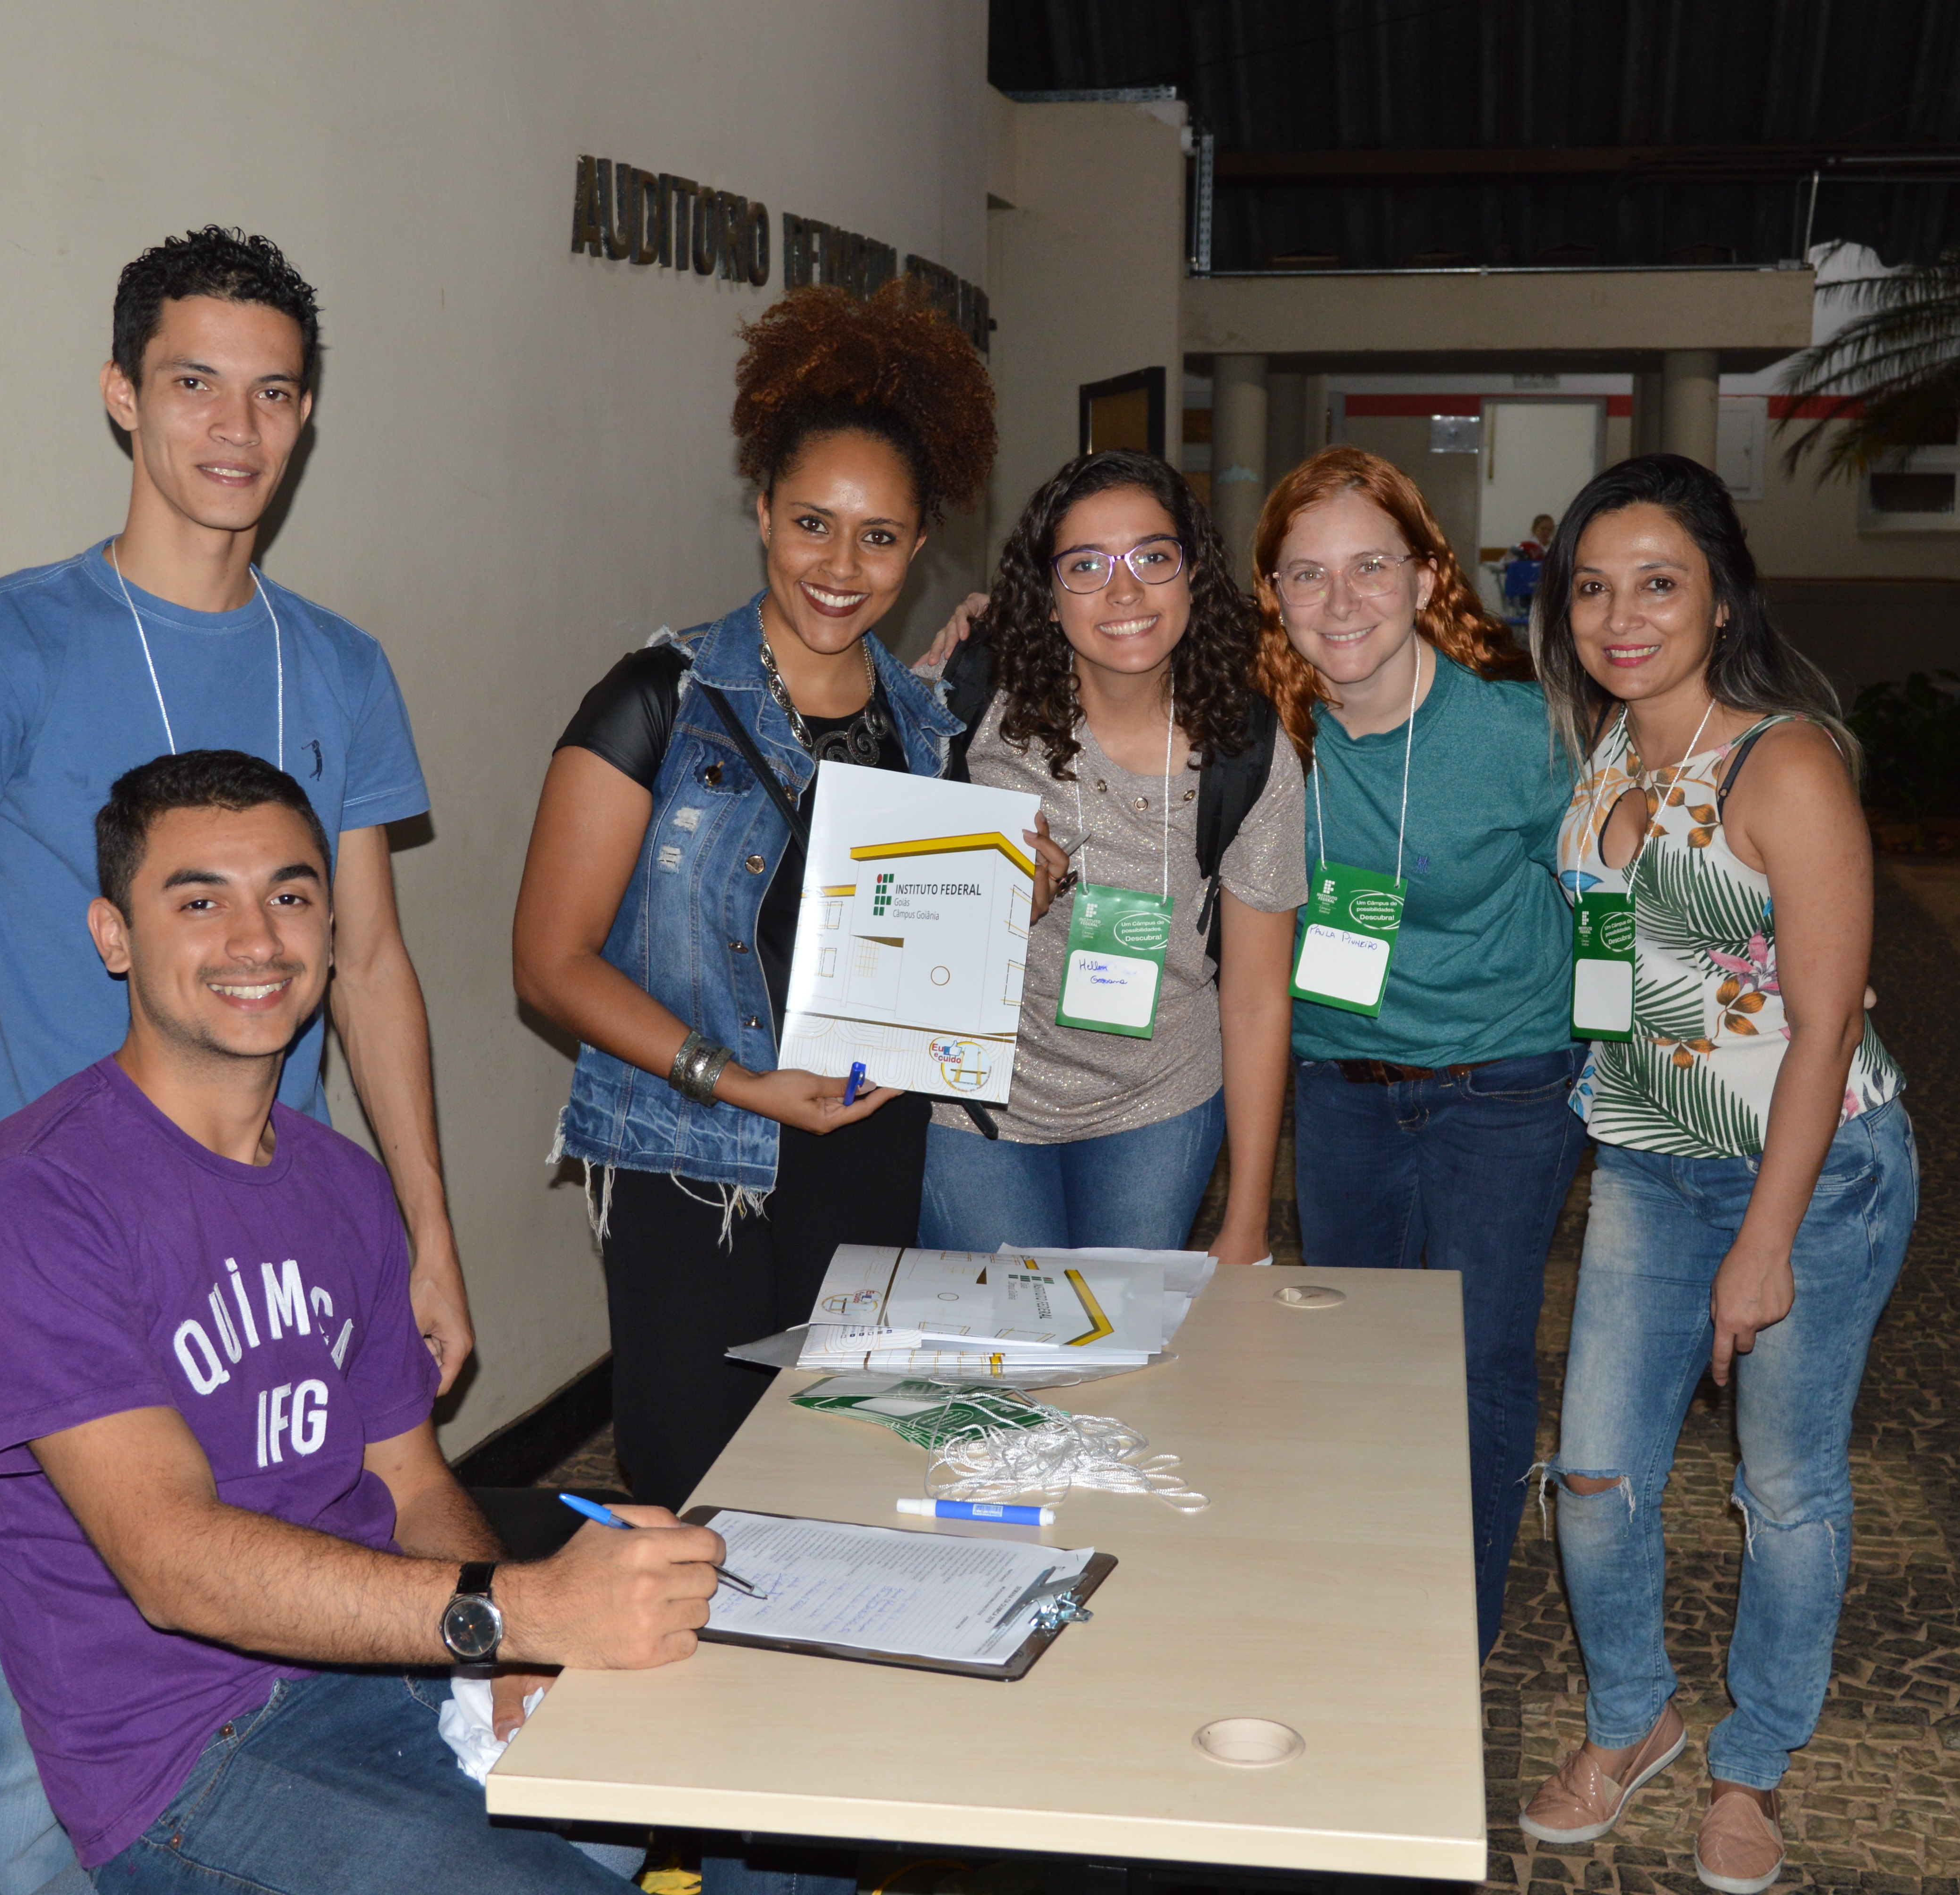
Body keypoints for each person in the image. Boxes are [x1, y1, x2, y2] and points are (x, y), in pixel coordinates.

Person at [0, 226, 467, 1895]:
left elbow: (381, 971)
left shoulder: (338, 664)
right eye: (194, 381)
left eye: (274, 392)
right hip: (66, 1267)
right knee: (49, 1728)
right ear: (122, 396)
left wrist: (424, 1230)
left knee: (290, 1622)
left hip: (283, 1240)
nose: (233, 426)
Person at [0, 751, 748, 1894]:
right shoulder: (28, 1203)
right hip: (193, 1762)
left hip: (392, 1662)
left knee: (782, 1800)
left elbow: (407, 1481)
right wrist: (515, 1604)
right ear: (114, 935)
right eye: (199, 899)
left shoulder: (341, 1181)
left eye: (292, 895)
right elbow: (176, 1567)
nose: (255, 939)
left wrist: (520, 1640)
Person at [513, 280, 998, 1509]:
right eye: (812, 524)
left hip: (872, 1159)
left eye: (880, 536)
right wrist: (733, 1082)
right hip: (697, 1165)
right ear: (763, 515)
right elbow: (551, 962)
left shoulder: (928, 731)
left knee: (843, 1482)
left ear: (920, 545)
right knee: (694, 1487)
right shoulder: (656, 702)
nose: (843, 566)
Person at [1518, 455, 1914, 1895]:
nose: (1623, 617)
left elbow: (1823, 1024)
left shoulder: (1784, 762)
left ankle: (1755, 1761)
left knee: (1786, 1486)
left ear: (1722, 594)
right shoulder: (1612, 756)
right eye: (1593, 587)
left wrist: (1767, 1244)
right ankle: (1639, 1719)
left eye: (1660, 583)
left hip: (1814, 1171)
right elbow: (1626, 980)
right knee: (1596, 1472)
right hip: (1649, 1157)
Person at [1249, 446, 1585, 1661]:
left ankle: (1457, 1622)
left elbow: (1619, 880)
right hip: (1341, 1089)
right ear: (1272, 594)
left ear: (1426, 571)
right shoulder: (1263, 726)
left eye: (1368, 567)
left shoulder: (1517, 729)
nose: (1340, 603)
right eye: (1306, 575)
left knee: (1476, 1359)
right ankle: (1367, 1587)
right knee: (1353, 1350)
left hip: (1504, 1081)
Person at [915, 451, 1303, 1263]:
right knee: (1016, 1355)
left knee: (1119, 1362)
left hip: (1157, 1106)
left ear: (1192, 573)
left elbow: (1260, 1000)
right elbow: (876, 889)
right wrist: (987, 889)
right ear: (1048, 597)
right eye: (1085, 565)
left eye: (1151, 558)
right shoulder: (972, 707)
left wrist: (1246, 1220)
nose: (1123, 592)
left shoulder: (1249, 748)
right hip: (973, 1102)